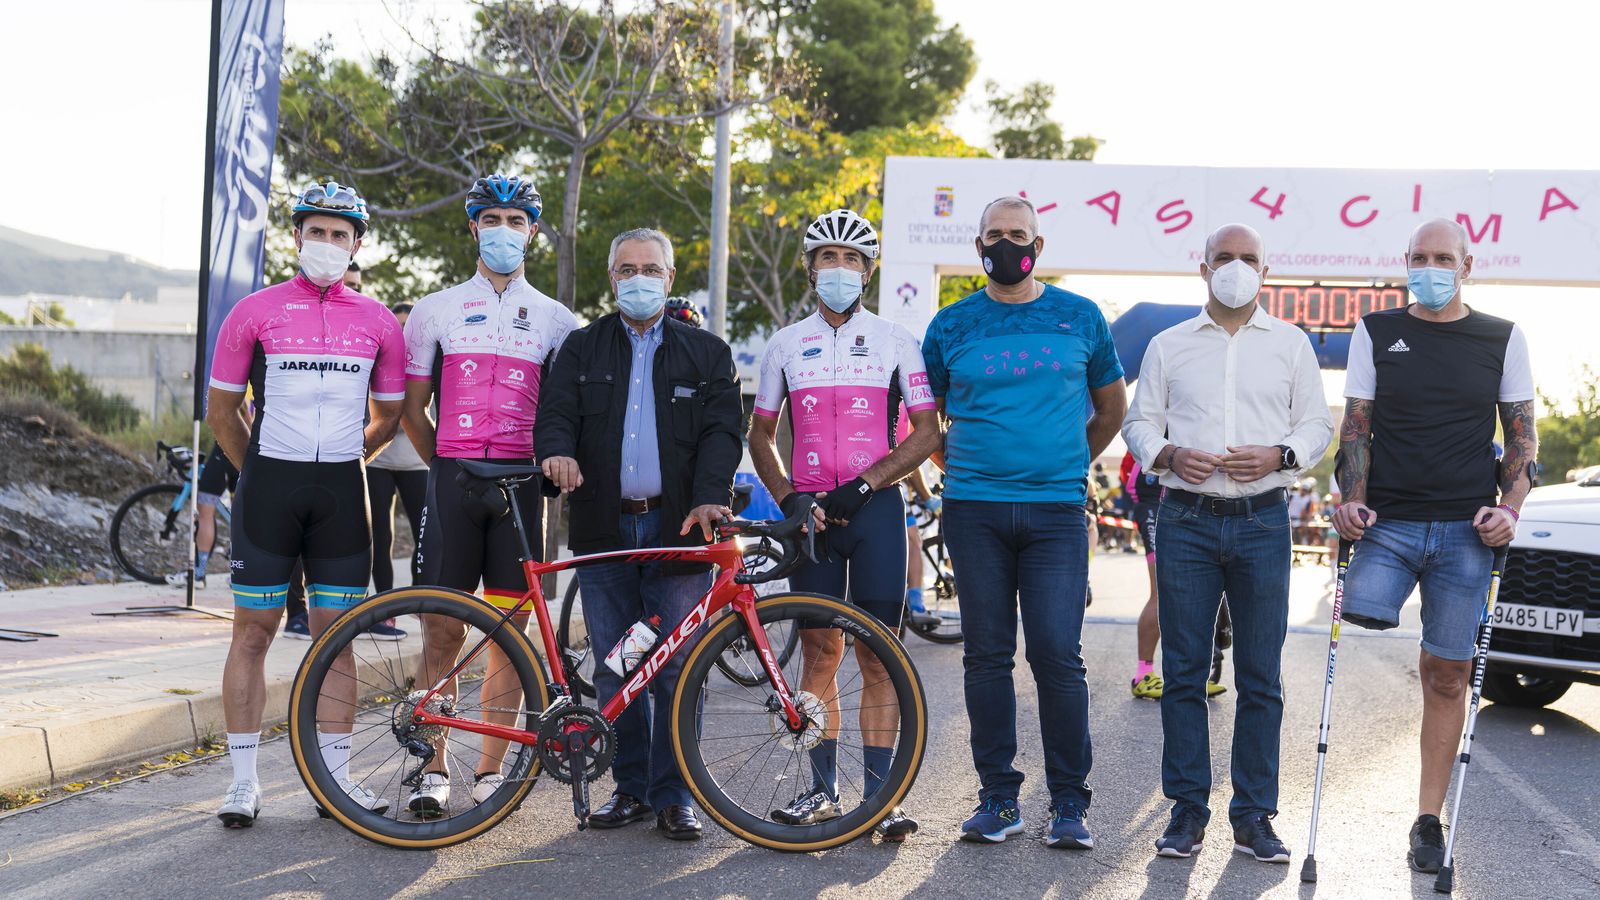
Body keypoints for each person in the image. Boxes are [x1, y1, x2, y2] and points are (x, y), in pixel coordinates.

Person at [1331, 218, 1537, 875]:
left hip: (1464, 530)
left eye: (1443, 257)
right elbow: (1356, 426)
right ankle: (1406, 625)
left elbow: (1523, 436)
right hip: (1387, 523)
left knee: (1447, 674)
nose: (1430, 266)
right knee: (1363, 609)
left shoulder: (1502, 337)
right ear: (1406, 263)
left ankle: (1427, 818)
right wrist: (1350, 500)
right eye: (1419, 257)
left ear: (1467, 265)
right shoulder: (1376, 330)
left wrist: (1510, 509)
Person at [1122, 223, 1333, 863]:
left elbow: (1318, 424)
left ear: (1265, 271)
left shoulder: (1292, 345)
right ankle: (1187, 811)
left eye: (1247, 259)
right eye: (1224, 258)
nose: (1235, 267)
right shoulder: (1167, 345)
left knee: (1261, 676)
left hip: (1264, 521)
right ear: (1203, 267)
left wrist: (1282, 453)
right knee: (1184, 671)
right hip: (1185, 518)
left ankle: (1254, 817)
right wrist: (1167, 453)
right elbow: (1136, 421)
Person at [922, 195, 1126, 849]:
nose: (1006, 243)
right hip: (973, 512)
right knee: (986, 657)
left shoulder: (1080, 317)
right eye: (994, 234)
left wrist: (1065, 462)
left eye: (1019, 234)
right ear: (977, 247)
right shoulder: (949, 326)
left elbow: (1111, 410)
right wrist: (964, 468)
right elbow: (929, 424)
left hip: (1057, 513)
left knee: (1057, 657)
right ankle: (999, 799)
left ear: (1037, 245)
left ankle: (1069, 803)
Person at [206, 181, 405, 827]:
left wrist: (350, 457)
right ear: (296, 237)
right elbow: (222, 410)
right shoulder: (254, 311)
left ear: (356, 245)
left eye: (339, 234)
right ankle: (241, 785)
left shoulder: (377, 320)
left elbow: (392, 414)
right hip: (269, 488)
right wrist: (256, 471)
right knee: (253, 634)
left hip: (343, 492)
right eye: (315, 232)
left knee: (337, 642)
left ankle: (336, 782)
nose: (326, 243)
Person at [535, 227, 743, 841]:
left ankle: (676, 794)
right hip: (605, 526)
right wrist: (557, 454)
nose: (638, 279)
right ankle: (629, 788)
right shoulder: (581, 348)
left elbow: (722, 434)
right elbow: (555, 416)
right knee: (616, 666)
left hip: (680, 529)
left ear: (670, 277)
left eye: (649, 268)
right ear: (612, 278)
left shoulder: (707, 352)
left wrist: (711, 496)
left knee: (678, 662)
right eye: (626, 269)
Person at [748, 209, 941, 842]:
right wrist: (788, 497)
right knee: (819, 651)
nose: (840, 269)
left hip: (875, 509)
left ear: (868, 271)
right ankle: (823, 791)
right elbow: (761, 432)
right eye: (828, 258)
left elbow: (925, 433)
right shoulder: (785, 343)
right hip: (813, 518)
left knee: (879, 656)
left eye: (853, 260)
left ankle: (880, 798)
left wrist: (864, 485)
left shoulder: (895, 340)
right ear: (810, 269)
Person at [401, 174, 579, 815]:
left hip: (521, 489)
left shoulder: (559, 320)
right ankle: (431, 766)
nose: (504, 229)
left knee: (509, 632)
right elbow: (414, 410)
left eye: (517, 219)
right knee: (443, 630)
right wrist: (447, 466)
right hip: (453, 481)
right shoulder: (436, 308)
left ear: (533, 229)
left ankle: (490, 767)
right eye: (491, 218)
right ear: (473, 226)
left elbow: (563, 415)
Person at [362, 300, 426, 639]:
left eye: (407, 325)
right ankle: (385, 610)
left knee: (425, 537)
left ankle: (420, 601)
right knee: (380, 538)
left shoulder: (427, 360)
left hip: (417, 463)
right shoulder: (376, 359)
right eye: (396, 325)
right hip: (380, 460)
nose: (402, 332)